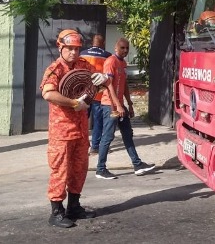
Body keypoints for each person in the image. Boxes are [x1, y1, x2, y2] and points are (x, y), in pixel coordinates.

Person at [39, 29, 109, 228]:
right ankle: (56, 212)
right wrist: (73, 103)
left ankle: (74, 207)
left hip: (81, 129)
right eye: (69, 48)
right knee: (60, 170)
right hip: (61, 131)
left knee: (79, 168)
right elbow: (48, 93)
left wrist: (104, 79)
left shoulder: (83, 65)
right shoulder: (55, 69)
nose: (73, 52)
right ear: (60, 47)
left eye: (77, 49)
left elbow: (100, 83)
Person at [95, 37, 156, 180]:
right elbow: (109, 86)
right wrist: (118, 105)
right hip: (109, 105)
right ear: (116, 48)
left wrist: (129, 104)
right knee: (107, 137)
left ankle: (137, 164)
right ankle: (100, 169)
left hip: (121, 105)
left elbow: (124, 85)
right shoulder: (111, 62)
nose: (125, 50)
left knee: (128, 134)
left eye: (127, 48)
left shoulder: (123, 63)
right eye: (122, 48)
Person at [80, 34, 111, 156]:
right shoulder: (107, 56)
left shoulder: (82, 54)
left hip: (85, 94)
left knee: (82, 120)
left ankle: (82, 146)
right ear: (103, 43)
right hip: (99, 94)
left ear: (92, 42)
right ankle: (95, 147)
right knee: (98, 121)